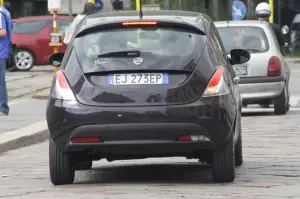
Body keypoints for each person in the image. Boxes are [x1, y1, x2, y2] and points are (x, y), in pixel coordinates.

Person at [0, 4, 13, 115]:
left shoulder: (0, 14)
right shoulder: (5, 12)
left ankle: (3, 108)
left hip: (0, 52)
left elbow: (3, 32)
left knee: (0, 82)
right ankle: (3, 107)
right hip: (3, 51)